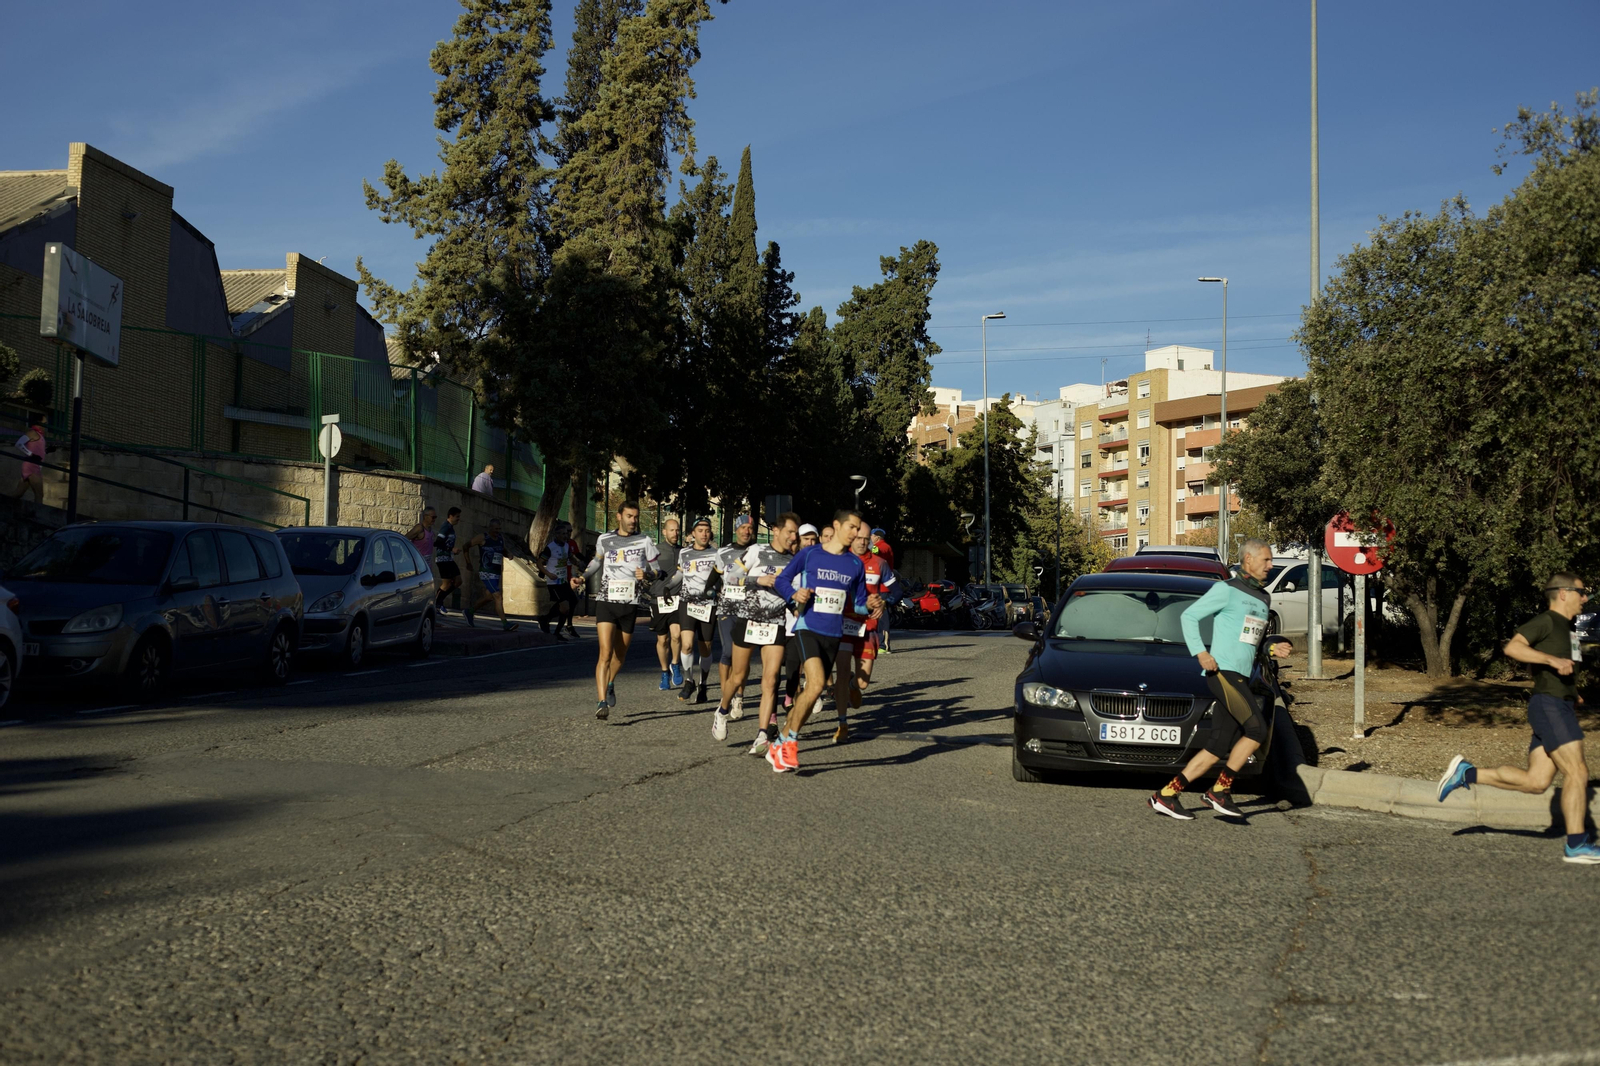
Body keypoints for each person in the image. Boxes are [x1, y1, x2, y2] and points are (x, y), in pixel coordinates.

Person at [1438, 574, 1600, 863]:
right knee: (1577, 772)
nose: (1585, 598)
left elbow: (1561, 668)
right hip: (1549, 707)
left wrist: (1572, 692)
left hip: (1556, 705)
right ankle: (1576, 845)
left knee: (1536, 782)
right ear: (1563, 593)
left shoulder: (1570, 629)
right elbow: (1513, 647)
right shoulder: (1548, 620)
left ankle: (1466, 773)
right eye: (1581, 592)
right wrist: (1551, 661)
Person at [1148, 538, 1291, 820]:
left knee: (1218, 746)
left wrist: (1271, 648)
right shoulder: (1225, 590)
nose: (1271, 566)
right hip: (1222, 672)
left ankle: (1166, 795)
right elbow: (1189, 617)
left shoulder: (1264, 597)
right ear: (1248, 560)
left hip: (1242, 675)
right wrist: (1201, 653)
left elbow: (1253, 639)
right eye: (1266, 560)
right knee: (1257, 730)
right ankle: (1220, 790)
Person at [766, 510, 885, 773]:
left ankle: (779, 743)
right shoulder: (810, 554)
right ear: (836, 525)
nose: (856, 534)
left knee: (812, 692)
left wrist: (873, 604)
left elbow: (860, 603)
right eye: (852, 528)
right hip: (808, 627)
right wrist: (794, 595)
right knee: (817, 683)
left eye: (859, 530)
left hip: (834, 633)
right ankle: (790, 746)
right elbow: (783, 580)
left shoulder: (854, 565)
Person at [715, 512, 800, 748]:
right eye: (789, 532)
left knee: (771, 680)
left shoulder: (795, 561)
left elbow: (793, 594)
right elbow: (731, 577)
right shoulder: (756, 551)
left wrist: (796, 608)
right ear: (776, 531)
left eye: (796, 533)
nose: (793, 537)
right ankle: (722, 712)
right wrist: (757, 581)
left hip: (775, 624)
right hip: (749, 620)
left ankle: (762, 734)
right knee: (739, 676)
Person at [573, 500, 660, 720]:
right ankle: (601, 701)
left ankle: (610, 683)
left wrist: (648, 575)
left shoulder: (644, 541)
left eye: (636, 517)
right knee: (605, 653)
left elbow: (657, 570)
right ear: (619, 517)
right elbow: (596, 562)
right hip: (606, 601)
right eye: (629, 516)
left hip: (630, 604)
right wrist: (582, 577)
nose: (633, 520)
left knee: (620, 656)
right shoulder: (605, 539)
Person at [833, 521, 898, 744]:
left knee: (863, 683)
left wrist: (883, 602)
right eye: (858, 537)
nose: (862, 542)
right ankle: (842, 723)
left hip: (868, 627)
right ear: (851, 537)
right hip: (843, 625)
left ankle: (852, 685)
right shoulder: (840, 560)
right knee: (840, 674)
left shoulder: (879, 563)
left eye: (866, 538)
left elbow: (893, 590)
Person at [671, 517, 720, 704]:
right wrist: (669, 586)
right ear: (693, 534)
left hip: (708, 605)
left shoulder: (717, 554)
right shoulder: (684, 553)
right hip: (687, 602)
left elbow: (721, 578)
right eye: (700, 530)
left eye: (707, 530)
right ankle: (689, 680)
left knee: (705, 648)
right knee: (687, 645)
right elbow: (679, 574)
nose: (704, 534)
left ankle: (703, 683)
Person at [715, 515, 758, 717]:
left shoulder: (757, 552)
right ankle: (727, 695)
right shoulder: (723, 552)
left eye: (750, 528)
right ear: (736, 529)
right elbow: (714, 576)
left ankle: (739, 697)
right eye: (743, 527)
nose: (746, 531)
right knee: (727, 652)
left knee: (743, 658)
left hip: (749, 610)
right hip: (726, 608)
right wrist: (709, 591)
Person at [781, 523, 822, 709]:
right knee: (792, 666)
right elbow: (781, 585)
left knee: (810, 660)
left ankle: (810, 691)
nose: (810, 542)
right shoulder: (791, 561)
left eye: (813, 539)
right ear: (798, 539)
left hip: (810, 622)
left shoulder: (821, 562)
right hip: (788, 622)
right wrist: (793, 603)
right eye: (806, 539)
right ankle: (792, 697)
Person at [464, 518, 519, 632]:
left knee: (490, 597)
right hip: (486, 572)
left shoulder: (500, 538)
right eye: (495, 529)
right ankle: (505, 624)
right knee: (498, 596)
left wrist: (508, 554)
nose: (497, 531)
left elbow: (502, 549)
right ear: (490, 528)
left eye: (499, 529)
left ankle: (469, 612)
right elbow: (466, 546)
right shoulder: (483, 538)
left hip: (496, 572)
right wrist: (468, 563)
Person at [651, 518, 685, 690]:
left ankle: (675, 664)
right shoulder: (656, 550)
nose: (675, 533)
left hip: (678, 598)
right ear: (664, 532)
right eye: (671, 530)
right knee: (662, 639)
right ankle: (665, 672)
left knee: (677, 635)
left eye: (677, 530)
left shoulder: (684, 552)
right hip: (659, 599)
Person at [537, 520, 579, 641]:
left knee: (572, 602)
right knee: (564, 607)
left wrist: (579, 564)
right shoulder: (550, 548)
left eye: (567, 534)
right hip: (553, 583)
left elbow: (571, 558)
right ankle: (548, 622)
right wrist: (548, 574)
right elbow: (539, 563)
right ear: (557, 535)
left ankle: (552, 626)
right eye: (563, 534)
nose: (566, 536)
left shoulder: (566, 546)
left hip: (563, 581)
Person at [433, 506, 463, 614]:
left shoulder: (451, 527)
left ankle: (440, 601)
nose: (458, 519)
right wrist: (451, 549)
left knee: (458, 581)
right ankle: (436, 604)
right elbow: (438, 542)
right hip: (443, 559)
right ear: (450, 516)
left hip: (449, 558)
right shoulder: (445, 527)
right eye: (457, 517)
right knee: (446, 583)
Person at [12, 423, 46, 502]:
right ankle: (37, 514)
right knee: (39, 494)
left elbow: (38, 453)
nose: (45, 426)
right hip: (32, 467)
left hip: (34, 466)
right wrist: (31, 454)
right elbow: (18, 444)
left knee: (18, 493)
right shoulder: (32, 432)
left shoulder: (40, 435)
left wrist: (48, 451)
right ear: (38, 422)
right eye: (44, 423)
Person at [403, 507, 438, 572]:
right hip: (418, 566)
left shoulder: (431, 530)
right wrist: (410, 555)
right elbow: (404, 540)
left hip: (427, 566)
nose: (434, 519)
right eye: (433, 517)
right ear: (425, 516)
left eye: (435, 517)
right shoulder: (419, 528)